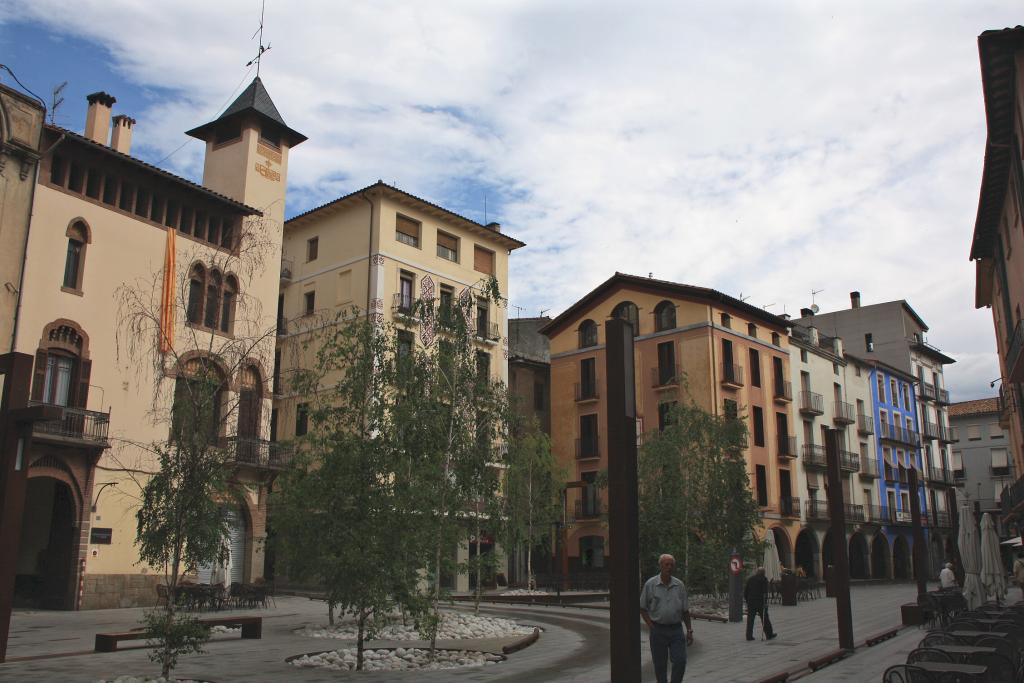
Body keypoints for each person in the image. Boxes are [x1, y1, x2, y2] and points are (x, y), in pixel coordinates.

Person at [640, 554, 693, 683]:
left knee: (680, 661)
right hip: (658, 629)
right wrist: (651, 626)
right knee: (660, 665)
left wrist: (689, 630)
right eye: (666, 564)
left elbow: (685, 610)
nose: (669, 567)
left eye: (671, 565)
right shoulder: (650, 584)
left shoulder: (679, 585)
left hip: (676, 630)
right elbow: (642, 608)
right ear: (660, 566)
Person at [743, 567, 777, 641]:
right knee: (765, 619)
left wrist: (748, 600)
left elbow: (746, 591)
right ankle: (769, 634)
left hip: (751, 602)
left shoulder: (750, 579)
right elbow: (765, 592)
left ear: (757, 572)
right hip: (761, 602)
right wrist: (765, 602)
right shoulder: (764, 579)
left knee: (750, 619)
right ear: (764, 573)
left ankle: (749, 636)